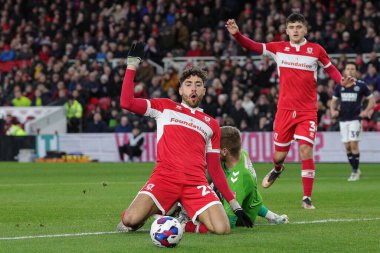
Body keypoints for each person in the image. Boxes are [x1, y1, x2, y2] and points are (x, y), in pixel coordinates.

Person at [117, 42, 252, 234]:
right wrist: (132, 65)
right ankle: (157, 211)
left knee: (223, 229)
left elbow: (214, 168)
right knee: (130, 220)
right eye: (188, 85)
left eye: (198, 85)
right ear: (180, 90)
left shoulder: (211, 123)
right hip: (165, 178)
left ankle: (180, 221)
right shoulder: (164, 107)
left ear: (204, 90)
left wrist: (234, 203)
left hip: (196, 184)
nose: (193, 89)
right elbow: (126, 102)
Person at [226, 13, 356, 209]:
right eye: (292, 27)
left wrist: (341, 81)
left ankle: (306, 198)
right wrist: (237, 35)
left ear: (305, 30)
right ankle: (278, 168)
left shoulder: (316, 50)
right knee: (278, 156)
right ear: (286, 31)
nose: (295, 30)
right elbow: (254, 46)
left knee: (306, 150)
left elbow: (330, 69)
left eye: (299, 27)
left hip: (307, 111)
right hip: (285, 111)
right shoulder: (278, 48)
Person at [213, 126, 288, 227]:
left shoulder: (237, 179)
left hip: (242, 217)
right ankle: (273, 217)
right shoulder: (242, 154)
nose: (212, 149)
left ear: (225, 151)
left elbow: (228, 223)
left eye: (216, 147)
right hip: (252, 202)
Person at [330, 63, 376, 181]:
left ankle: (354, 172)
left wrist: (366, 111)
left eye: (352, 69)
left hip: (356, 119)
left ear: (356, 71)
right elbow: (333, 101)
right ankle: (356, 169)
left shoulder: (361, 85)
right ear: (344, 71)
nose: (350, 70)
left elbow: (372, 100)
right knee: (347, 147)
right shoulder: (339, 85)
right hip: (343, 119)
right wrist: (332, 111)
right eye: (348, 68)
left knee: (353, 144)